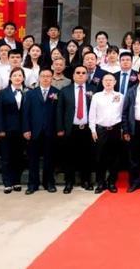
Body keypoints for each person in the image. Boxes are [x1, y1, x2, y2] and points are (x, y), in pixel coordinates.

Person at [56, 65, 94, 193]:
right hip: (70, 129)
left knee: (87, 156)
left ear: (87, 76)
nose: (81, 75)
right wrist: (60, 128)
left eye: (83, 73)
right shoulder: (65, 91)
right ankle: (69, 182)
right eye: (78, 72)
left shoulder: (93, 89)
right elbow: (60, 110)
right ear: (73, 75)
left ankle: (86, 180)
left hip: (87, 129)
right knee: (69, 157)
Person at [23, 68, 60, 194]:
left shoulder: (57, 93)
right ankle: (32, 184)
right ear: (39, 78)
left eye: (48, 76)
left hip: (50, 131)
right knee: (33, 159)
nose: (45, 78)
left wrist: (58, 129)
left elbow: (59, 113)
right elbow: (26, 113)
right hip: (34, 131)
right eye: (43, 76)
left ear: (52, 78)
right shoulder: (31, 94)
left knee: (49, 159)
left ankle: (49, 183)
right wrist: (26, 129)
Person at [89, 72, 124, 194]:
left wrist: (122, 129)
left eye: (111, 80)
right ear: (102, 82)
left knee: (114, 158)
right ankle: (100, 182)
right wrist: (93, 129)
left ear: (115, 82)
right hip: (101, 130)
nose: (108, 82)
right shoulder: (97, 96)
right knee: (100, 158)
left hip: (115, 130)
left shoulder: (120, 96)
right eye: (106, 80)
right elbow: (92, 114)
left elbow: (122, 114)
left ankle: (112, 182)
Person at [0, 67, 26, 194]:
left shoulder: (27, 92)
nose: (17, 78)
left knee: (19, 157)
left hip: (22, 130)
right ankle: (7, 183)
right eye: (15, 75)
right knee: (6, 157)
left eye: (20, 75)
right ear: (10, 78)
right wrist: (0, 129)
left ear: (23, 78)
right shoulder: (3, 93)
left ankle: (16, 181)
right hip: (7, 130)